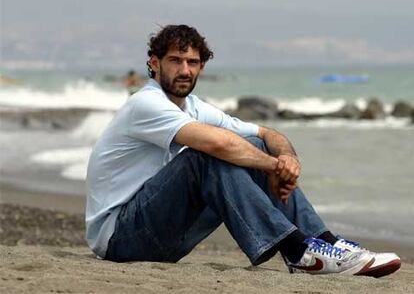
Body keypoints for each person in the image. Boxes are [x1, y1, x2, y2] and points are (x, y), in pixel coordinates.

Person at [86, 25, 401, 277]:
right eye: (175, 61)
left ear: (202, 68)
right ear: (154, 64)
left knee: (252, 146)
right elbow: (218, 144)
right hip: (120, 238)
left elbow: (266, 133)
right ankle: (296, 249)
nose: (184, 70)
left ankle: (325, 243)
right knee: (205, 155)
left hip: (165, 237)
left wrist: (286, 159)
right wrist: (271, 166)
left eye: (192, 62)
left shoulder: (193, 107)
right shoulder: (146, 103)